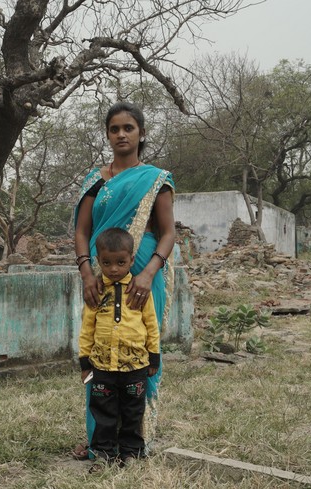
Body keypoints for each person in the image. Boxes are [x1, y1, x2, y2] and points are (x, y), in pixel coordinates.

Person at [72, 101, 176, 460]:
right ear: (107, 134)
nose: (121, 134)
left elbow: (168, 232)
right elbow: (82, 231)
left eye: (128, 128)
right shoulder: (94, 181)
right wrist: (87, 271)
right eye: (114, 129)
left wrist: (148, 273)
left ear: (141, 133)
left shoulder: (156, 178)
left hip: (144, 275)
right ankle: (100, 443)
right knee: (101, 350)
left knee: (138, 348)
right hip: (100, 277)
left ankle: (135, 441)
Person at [79, 227, 160, 465]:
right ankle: (103, 454)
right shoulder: (96, 291)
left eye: (121, 262)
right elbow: (87, 329)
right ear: (98, 261)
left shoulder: (139, 290)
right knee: (103, 413)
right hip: (102, 366)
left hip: (135, 366)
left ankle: (131, 453)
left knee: (133, 413)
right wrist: (85, 363)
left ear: (131, 260)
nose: (114, 269)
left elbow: (151, 325)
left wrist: (153, 357)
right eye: (107, 262)